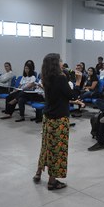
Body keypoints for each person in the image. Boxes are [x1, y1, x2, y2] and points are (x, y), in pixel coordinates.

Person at [33, 53, 75, 191]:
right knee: (57, 149)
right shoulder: (61, 78)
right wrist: (78, 81)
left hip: (48, 117)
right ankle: (52, 181)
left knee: (45, 146)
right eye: (60, 61)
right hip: (59, 118)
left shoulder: (45, 77)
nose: (62, 62)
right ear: (55, 64)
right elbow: (71, 95)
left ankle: (38, 173)